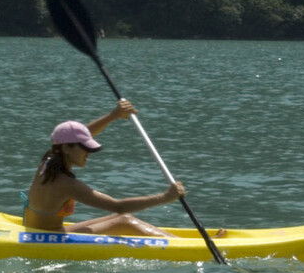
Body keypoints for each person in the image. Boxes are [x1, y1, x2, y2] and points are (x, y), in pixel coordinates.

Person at [22, 100, 185, 237]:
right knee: (124, 221)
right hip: (47, 237)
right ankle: (182, 245)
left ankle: (176, 240)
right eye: (85, 148)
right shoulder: (66, 184)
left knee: (124, 217)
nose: (88, 153)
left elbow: (81, 135)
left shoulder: (49, 160)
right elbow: (118, 206)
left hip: (37, 230)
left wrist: (114, 115)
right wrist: (165, 197)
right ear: (66, 148)